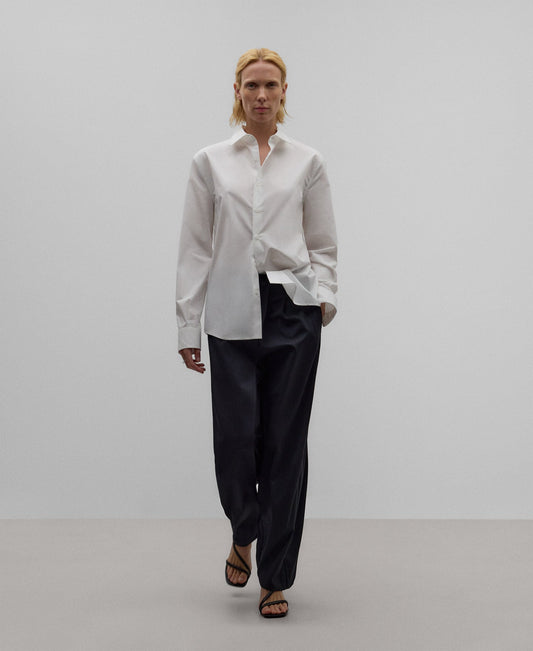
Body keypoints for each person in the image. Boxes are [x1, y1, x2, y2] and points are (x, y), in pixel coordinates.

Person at [175, 48, 338, 619]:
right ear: (238, 92)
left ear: (284, 91)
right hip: (231, 311)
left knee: (286, 445)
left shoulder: (308, 161)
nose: (261, 95)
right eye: (252, 85)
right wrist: (187, 323)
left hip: (292, 310)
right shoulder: (210, 162)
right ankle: (244, 529)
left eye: (271, 85)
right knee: (236, 439)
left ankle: (276, 576)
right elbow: (195, 247)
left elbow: (323, 242)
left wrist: (324, 300)